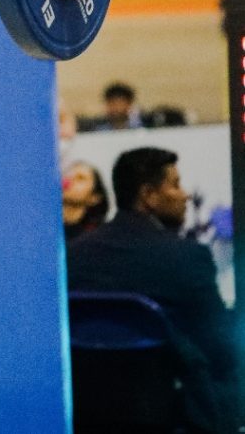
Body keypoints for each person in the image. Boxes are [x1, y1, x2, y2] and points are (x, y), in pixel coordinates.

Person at [66, 147, 237, 432]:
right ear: (148, 195)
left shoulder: (72, 257)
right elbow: (220, 350)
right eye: (175, 185)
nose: (184, 195)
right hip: (169, 416)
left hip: (87, 416)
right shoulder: (187, 257)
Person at [62, 160, 108, 243]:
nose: (69, 180)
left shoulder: (96, 238)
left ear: (94, 198)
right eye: (67, 175)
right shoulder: (43, 225)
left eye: (80, 178)